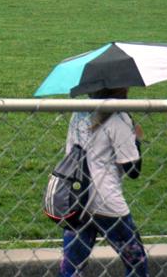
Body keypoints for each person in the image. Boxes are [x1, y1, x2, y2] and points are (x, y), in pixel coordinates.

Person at [58, 86, 148, 277]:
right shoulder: (120, 118)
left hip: (77, 197)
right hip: (107, 201)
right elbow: (132, 170)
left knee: (71, 268)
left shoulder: (79, 114)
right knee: (137, 265)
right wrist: (135, 139)